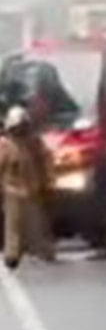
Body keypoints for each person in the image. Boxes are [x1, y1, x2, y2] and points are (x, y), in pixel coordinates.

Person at [2, 105, 56, 270]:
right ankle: (12, 254)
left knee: (38, 222)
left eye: (23, 125)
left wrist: (48, 181)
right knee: (13, 224)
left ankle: (42, 250)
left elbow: (46, 161)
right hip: (12, 190)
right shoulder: (5, 145)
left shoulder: (35, 143)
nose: (21, 129)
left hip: (33, 189)